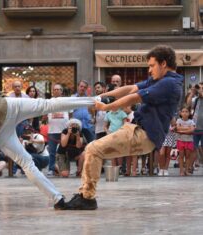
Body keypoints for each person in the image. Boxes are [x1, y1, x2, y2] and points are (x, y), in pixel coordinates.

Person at [64, 45, 184, 210]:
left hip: (144, 135)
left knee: (93, 148)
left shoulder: (170, 83)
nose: (149, 70)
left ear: (163, 63)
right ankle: (86, 195)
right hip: (135, 129)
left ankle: (87, 197)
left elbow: (134, 97)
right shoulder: (159, 80)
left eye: (151, 65)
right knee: (93, 149)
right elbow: (131, 88)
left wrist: (105, 107)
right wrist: (100, 96)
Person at [45, 84, 70, 176]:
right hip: (52, 130)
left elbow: (70, 114)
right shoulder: (49, 101)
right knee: (52, 152)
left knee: (65, 151)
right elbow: (45, 115)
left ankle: (65, 168)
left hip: (64, 130)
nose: (56, 91)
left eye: (58, 89)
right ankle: (51, 169)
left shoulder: (66, 101)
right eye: (54, 89)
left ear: (61, 91)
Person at [176, 105, 195, 176]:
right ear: (180, 113)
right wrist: (187, 128)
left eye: (186, 111)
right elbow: (177, 128)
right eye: (183, 111)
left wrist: (182, 130)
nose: (184, 113)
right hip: (180, 140)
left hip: (189, 141)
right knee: (181, 156)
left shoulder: (191, 121)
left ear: (189, 113)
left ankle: (186, 170)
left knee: (187, 156)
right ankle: (181, 171)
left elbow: (192, 130)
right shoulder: (178, 120)